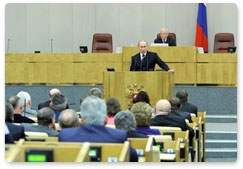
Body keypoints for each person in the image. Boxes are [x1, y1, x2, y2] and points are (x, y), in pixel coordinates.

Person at [58, 96, 138, 162]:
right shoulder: (119, 136)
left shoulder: (65, 136)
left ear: (81, 120)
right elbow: (134, 158)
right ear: (105, 120)